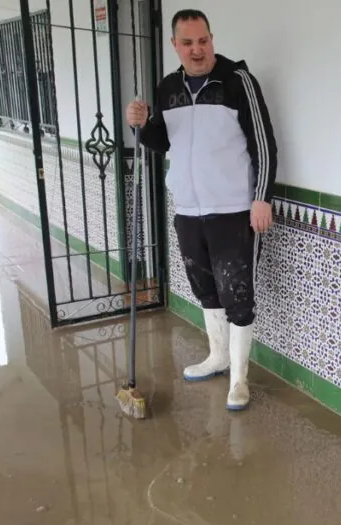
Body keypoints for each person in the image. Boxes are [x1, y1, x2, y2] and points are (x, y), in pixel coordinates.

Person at [126, 9, 277, 411]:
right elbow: (163, 142)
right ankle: (218, 357)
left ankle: (239, 379)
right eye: (188, 43)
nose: (197, 50)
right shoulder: (167, 87)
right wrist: (140, 125)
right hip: (189, 209)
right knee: (205, 289)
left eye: (203, 41)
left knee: (237, 294)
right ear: (175, 45)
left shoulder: (237, 81)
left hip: (233, 210)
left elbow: (263, 142)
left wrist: (261, 197)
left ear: (212, 39)